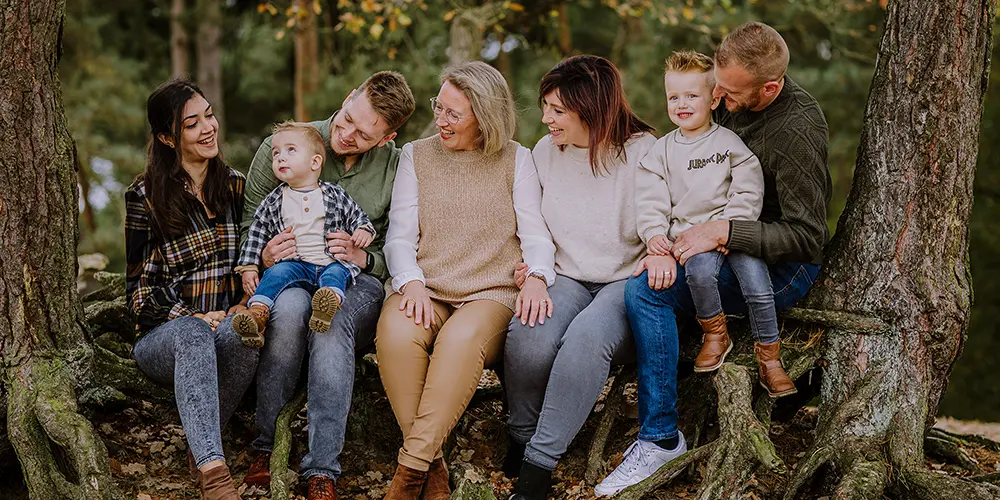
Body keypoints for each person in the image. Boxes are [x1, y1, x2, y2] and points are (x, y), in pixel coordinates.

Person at [597, 21, 832, 494]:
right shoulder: (723, 98)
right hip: (715, 247)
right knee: (652, 280)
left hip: (778, 269)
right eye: (716, 87)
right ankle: (673, 409)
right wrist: (661, 244)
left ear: (769, 88)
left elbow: (807, 238)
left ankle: (659, 438)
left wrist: (722, 230)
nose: (717, 99)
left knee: (646, 294)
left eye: (729, 92)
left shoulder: (796, 131)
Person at [378, 60, 556, 500]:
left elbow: (535, 235)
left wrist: (536, 276)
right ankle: (431, 463)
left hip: (491, 292)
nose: (441, 119)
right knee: (397, 334)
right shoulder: (415, 155)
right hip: (426, 286)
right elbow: (399, 236)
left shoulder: (517, 159)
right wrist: (411, 283)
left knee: (459, 341)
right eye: (439, 107)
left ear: (484, 114)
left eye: (453, 113)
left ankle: (408, 473)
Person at [242, 72, 415, 500]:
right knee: (289, 314)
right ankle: (265, 446)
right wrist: (265, 256)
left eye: (364, 134)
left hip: (356, 280)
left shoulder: (397, 167)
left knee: (331, 321)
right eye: (348, 117)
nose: (347, 133)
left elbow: (403, 243)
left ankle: (322, 468)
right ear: (349, 96)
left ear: (387, 138)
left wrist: (364, 257)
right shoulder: (286, 144)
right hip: (292, 271)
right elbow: (250, 225)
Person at [502, 55, 657, 500]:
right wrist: (534, 272)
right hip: (564, 274)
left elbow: (661, 219)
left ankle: (538, 466)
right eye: (545, 107)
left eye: (557, 110)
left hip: (625, 280)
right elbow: (533, 226)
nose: (546, 119)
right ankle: (520, 436)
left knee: (586, 339)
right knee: (529, 335)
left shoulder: (643, 151)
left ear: (590, 107)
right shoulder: (545, 153)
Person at [634, 50, 796, 396]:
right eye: (673, 97)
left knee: (757, 282)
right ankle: (715, 335)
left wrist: (731, 228)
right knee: (699, 273)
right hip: (690, 239)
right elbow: (650, 200)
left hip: (731, 233)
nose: (682, 104)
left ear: (713, 99)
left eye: (692, 96)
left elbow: (748, 187)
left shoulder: (728, 143)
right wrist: (654, 234)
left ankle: (770, 357)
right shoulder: (661, 152)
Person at [125, 79, 258, 500]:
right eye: (191, 124)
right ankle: (214, 475)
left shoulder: (237, 186)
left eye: (209, 115)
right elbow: (138, 293)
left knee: (246, 334)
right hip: (164, 338)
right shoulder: (143, 196)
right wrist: (193, 317)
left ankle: (201, 444)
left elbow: (252, 255)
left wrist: (244, 302)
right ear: (167, 138)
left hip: (225, 324)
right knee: (193, 333)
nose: (208, 128)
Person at [233, 121, 376, 346]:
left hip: (330, 261)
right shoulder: (275, 199)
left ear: (315, 162)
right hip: (296, 264)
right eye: (276, 153)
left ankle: (326, 305)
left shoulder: (334, 194)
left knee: (337, 275)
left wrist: (363, 230)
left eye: (290, 150)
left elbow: (357, 216)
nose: (280, 158)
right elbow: (256, 231)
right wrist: (249, 266)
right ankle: (257, 314)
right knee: (276, 273)